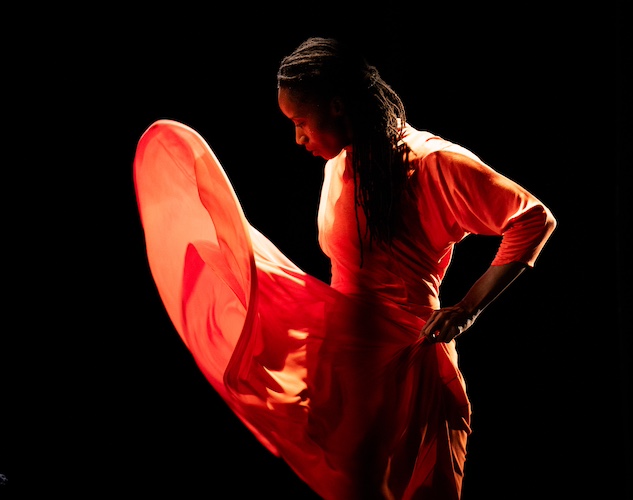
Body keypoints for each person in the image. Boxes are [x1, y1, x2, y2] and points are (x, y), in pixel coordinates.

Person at [134, 36, 556, 500]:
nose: (298, 138)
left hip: (402, 363)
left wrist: (468, 307)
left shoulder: (431, 162)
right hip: (347, 364)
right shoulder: (342, 162)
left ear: (337, 105)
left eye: (301, 122)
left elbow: (532, 219)